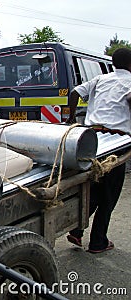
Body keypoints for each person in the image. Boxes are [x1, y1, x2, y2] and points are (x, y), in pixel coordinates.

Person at [65, 47, 131, 253]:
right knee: (109, 194)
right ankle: (98, 242)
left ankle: (76, 230)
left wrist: (70, 117)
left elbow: (74, 92)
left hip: (91, 140)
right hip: (116, 143)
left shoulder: (101, 79)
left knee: (93, 187)